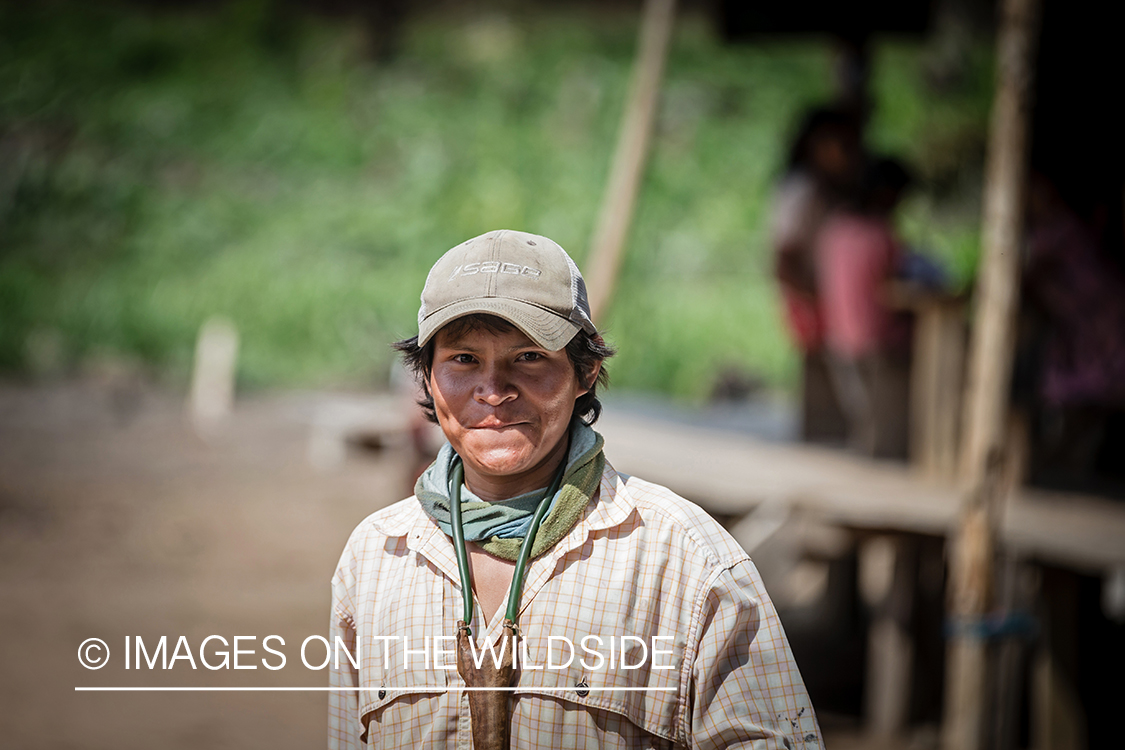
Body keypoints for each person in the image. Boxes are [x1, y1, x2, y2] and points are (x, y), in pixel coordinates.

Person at [329, 230, 823, 749]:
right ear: (426, 378)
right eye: (464, 360)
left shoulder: (687, 559)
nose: (494, 391)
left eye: (529, 357)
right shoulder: (374, 555)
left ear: (586, 372)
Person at [816, 157, 914, 456]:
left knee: (865, 416)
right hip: (877, 341)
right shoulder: (882, 235)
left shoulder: (834, 228)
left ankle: (869, 451)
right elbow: (895, 281)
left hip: (837, 338)